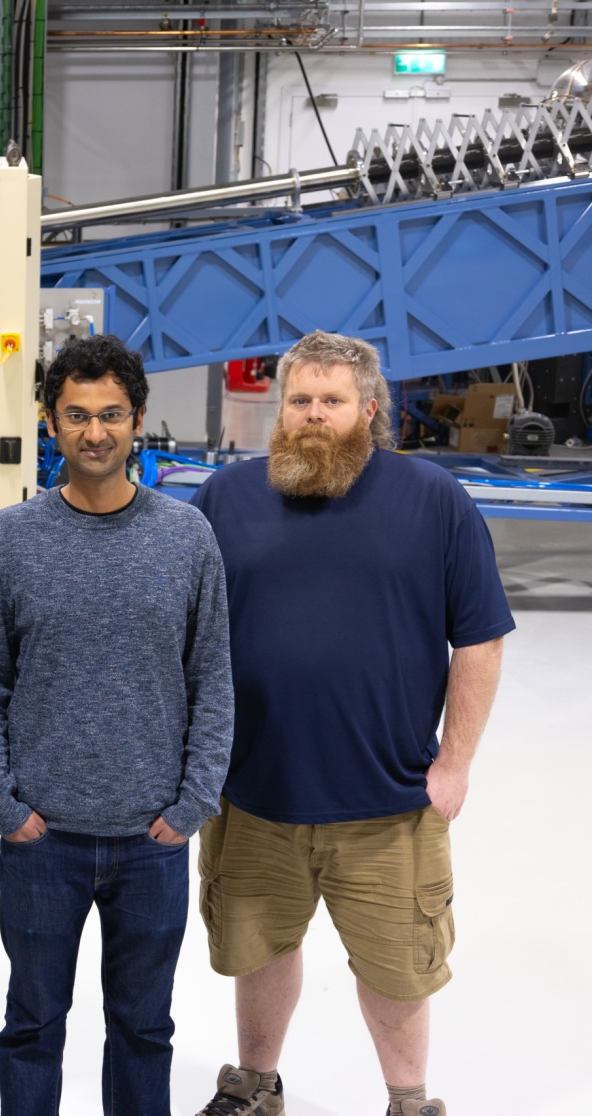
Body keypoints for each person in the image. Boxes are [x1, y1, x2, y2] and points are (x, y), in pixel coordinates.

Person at [187, 331, 511, 1116]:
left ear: (369, 411)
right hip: (253, 793)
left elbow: (479, 636)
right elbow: (180, 631)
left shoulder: (433, 501)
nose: (312, 415)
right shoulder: (226, 500)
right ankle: (255, 1086)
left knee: (395, 968)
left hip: (389, 799)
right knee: (259, 951)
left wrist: (456, 763)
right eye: (299, 400)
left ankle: (409, 1101)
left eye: (332, 402)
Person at [0, 333, 234, 1116]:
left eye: (111, 414)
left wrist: (191, 808)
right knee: (32, 1024)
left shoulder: (187, 539)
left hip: (152, 841)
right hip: (42, 841)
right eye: (76, 415)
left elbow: (212, 678)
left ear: (138, 421)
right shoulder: (11, 540)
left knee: (144, 1027)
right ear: (51, 424)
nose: (95, 432)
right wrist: (6, 809)